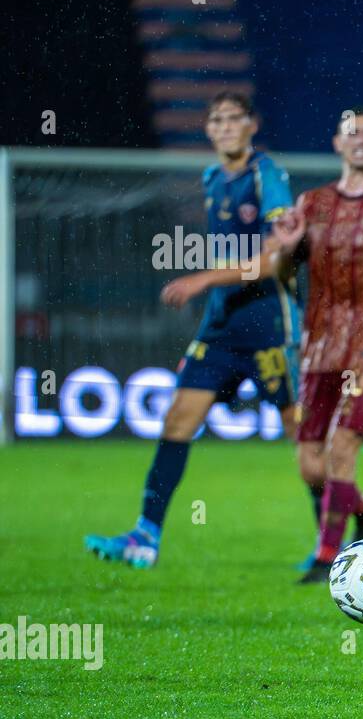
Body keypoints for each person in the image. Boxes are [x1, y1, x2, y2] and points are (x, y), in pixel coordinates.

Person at [162, 105, 363, 584]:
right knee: (310, 463)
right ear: (337, 145)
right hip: (319, 347)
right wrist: (276, 252)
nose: (359, 139)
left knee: (341, 452)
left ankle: (327, 558)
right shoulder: (310, 207)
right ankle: (362, 509)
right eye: (350, 133)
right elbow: (269, 268)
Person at [86, 92, 304, 569]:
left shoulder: (267, 175)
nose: (225, 127)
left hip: (270, 325)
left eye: (234, 119)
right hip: (221, 326)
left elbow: (272, 260)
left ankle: (339, 540)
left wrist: (202, 278)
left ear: (252, 124)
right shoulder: (211, 178)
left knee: (301, 440)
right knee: (177, 421)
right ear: (208, 131)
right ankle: (146, 535)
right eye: (216, 120)